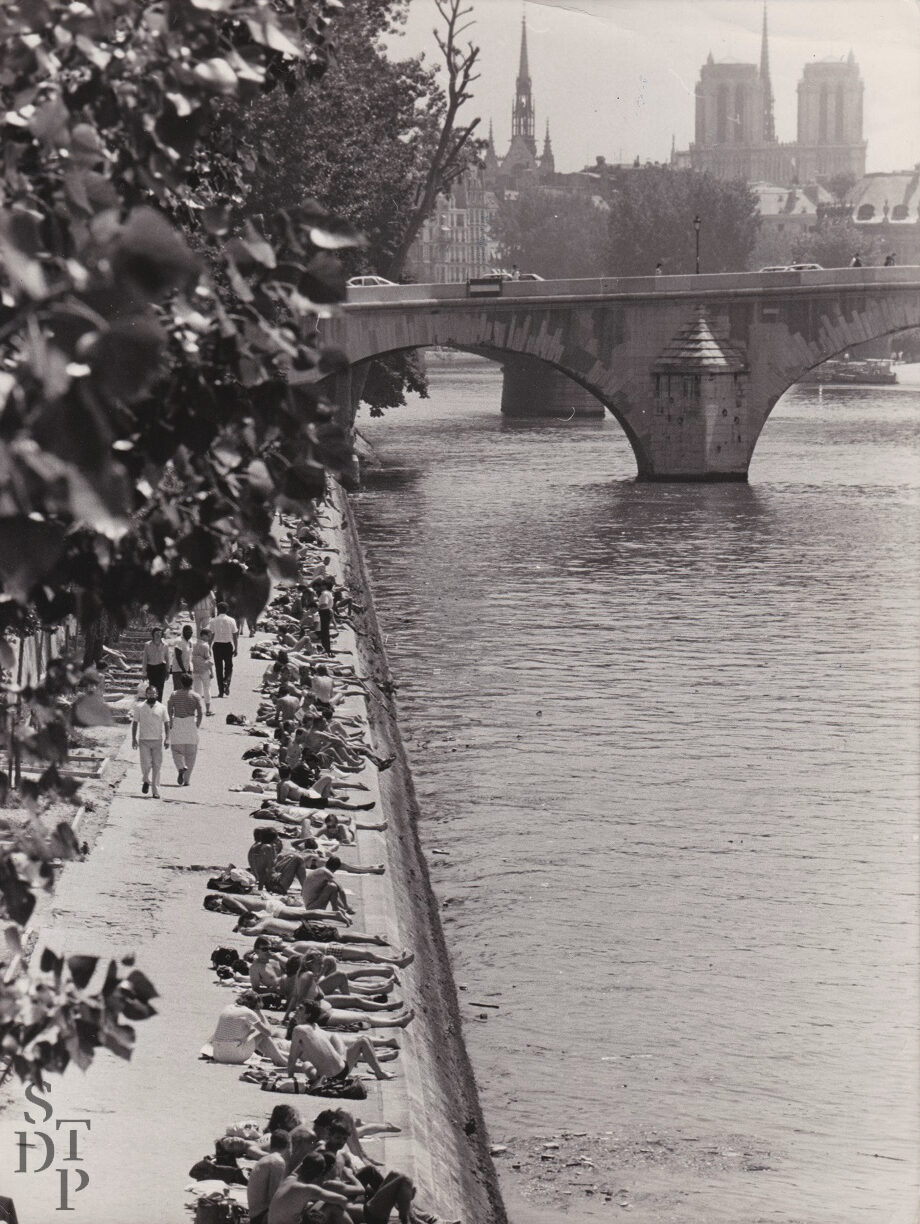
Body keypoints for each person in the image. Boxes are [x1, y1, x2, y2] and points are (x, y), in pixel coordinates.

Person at [287, 1004, 396, 1081]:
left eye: (300, 1008)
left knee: (306, 1065)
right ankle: (379, 1072)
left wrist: (290, 1078)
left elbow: (292, 1058)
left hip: (328, 1078)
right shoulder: (316, 1027)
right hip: (343, 1069)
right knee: (363, 1040)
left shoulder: (298, 1030)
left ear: (308, 1014)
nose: (296, 1010)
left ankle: (379, 1068)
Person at [208, 990, 287, 1065]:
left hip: (217, 1054)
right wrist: (260, 1013)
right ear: (256, 1005)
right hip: (233, 1056)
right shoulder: (249, 1013)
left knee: (252, 1036)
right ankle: (281, 1060)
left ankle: (282, 1056)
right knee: (263, 1035)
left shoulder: (227, 1007)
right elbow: (268, 1032)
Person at [267, 1152, 349, 1224]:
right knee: (332, 1206)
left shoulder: (290, 1178)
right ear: (318, 1175)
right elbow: (343, 1200)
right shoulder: (308, 1189)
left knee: (317, 1208)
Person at [131, 683, 169, 798]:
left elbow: (167, 723)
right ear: (146, 695)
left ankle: (155, 791)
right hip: (144, 740)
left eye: (154, 694)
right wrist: (133, 739)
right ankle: (146, 780)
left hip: (157, 740)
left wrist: (168, 738)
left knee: (157, 765)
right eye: (149, 694)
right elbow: (135, 723)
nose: (152, 696)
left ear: (157, 695)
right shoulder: (139, 707)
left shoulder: (162, 708)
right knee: (146, 764)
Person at [166, 673, 204, 785]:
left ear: (181, 683)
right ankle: (187, 780)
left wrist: (171, 722)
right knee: (191, 754)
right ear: (191, 683)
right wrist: (197, 725)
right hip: (190, 722)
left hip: (178, 721)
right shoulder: (196, 696)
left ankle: (181, 767)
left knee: (176, 750)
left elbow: (169, 709)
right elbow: (201, 713)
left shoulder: (174, 694)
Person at [247, 1131, 290, 1224]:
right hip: (261, 1217)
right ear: (288, 1145)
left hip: (255, 1214)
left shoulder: (266, 1158)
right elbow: (274, 1197)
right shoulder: (277, 1161)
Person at [209, 601, 239, 697]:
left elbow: (211, 635)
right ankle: (226, 681)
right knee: (229, 667)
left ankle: (221, 691)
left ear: (218, 609)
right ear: (227, 610)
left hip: (217, 646)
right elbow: (235, 636)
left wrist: (209, 647)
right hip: (227, 646)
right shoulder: (231, 620)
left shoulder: (213, 620)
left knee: (218, 669)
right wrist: (236, 648)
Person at [191, 625, 215, 715]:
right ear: (203, 635)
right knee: (207, 689)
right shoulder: (206, 646)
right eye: (208, 636)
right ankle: (208, 710)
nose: (209, 638)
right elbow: (209, 660)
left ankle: (197, 710)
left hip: (195, 670)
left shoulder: (193, 644)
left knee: (196, 691)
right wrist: (211, 672)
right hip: (204, 670)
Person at [141, 627, 170, 700]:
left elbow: (167, 658)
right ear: (153, 635)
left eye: (160, 633)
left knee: (160, 688)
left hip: (161, 668)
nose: (158, 635)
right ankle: (152, 704)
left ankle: (159, 705)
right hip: (151, 668)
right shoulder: (147, 645)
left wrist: (168, 670)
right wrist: (144, 673)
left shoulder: (165, 645)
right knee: (152, 688)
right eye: (156, 633)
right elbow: (145, 659)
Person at [169, 624, 194, 691]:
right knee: (178, 691)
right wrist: (184, 670)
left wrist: (189, 670)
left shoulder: (190, 641)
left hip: (188, 670)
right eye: (188, 632)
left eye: (191, 633)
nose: (190, 634)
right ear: (184, 632)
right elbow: (178, 657)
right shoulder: (179, 641)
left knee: (188, 691)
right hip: (179, 671)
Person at [316, 583, 335, 655]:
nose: (321, 586)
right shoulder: (329, 593)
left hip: (324, 613)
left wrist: (318, 608)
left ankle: (327, 649)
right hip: (327, 612)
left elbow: (324, 604)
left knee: (324, 632)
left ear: (326, 586)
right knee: (325, 632)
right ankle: (327, 649)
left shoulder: (324, 593)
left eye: (322, 585)